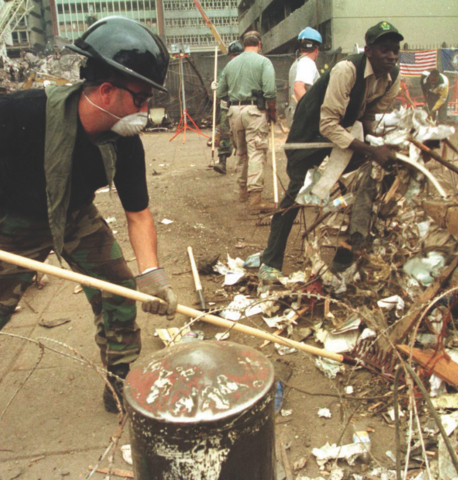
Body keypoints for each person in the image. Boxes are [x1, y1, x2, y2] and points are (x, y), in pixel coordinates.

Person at [0, 17, 178, 413]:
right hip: (15, 223)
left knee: (119, 288)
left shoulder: (124, 141)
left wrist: (151, 275)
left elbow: (138, 212)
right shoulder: (19, 115)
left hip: (75, 215)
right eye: (140, 98)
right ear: (106, 90)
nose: (146, 109)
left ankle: (118, 378)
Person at [258, 21, 403, 281]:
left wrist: (379, 145)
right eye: (385, 50)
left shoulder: (393, 76)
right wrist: (371, 150)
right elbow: (327, 124)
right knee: (298, 193)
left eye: (395, 50)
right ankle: (271, 259)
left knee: (360, 189)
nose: (391, 56)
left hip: (346, 130)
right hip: (312, 130)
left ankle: (345, 260)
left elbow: (370, 116)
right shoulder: (347, 70)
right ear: (369, 50)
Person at [216, 31, 277, 214]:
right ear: (259, 44)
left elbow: (220, 92)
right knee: (256, 152)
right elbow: (270, 91)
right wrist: (272, 110)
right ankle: (255, 199)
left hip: (234, 112)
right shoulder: (263, 62)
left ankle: (243, 192)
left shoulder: (231, 64)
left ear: (244, 45)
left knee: (241, 152)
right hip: (254, 112)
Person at [211, 40, 244, 175]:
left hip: (240, 105)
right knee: (224, 132)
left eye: (236, 55)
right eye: (233, 55)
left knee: (241, 134)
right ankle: (222, 161)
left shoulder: (244, 68)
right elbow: (221, 88)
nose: (234, 58)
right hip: (227, 105)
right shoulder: (227, 69)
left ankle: (242, 162)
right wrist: (216, 86)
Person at [285, 27, 322, 127]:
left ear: (301, 48)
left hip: (296, 116)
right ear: (317, 49)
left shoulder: (297, 63)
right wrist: (312, 112)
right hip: (305, 119)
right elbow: (298, 87)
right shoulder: (307, 63)